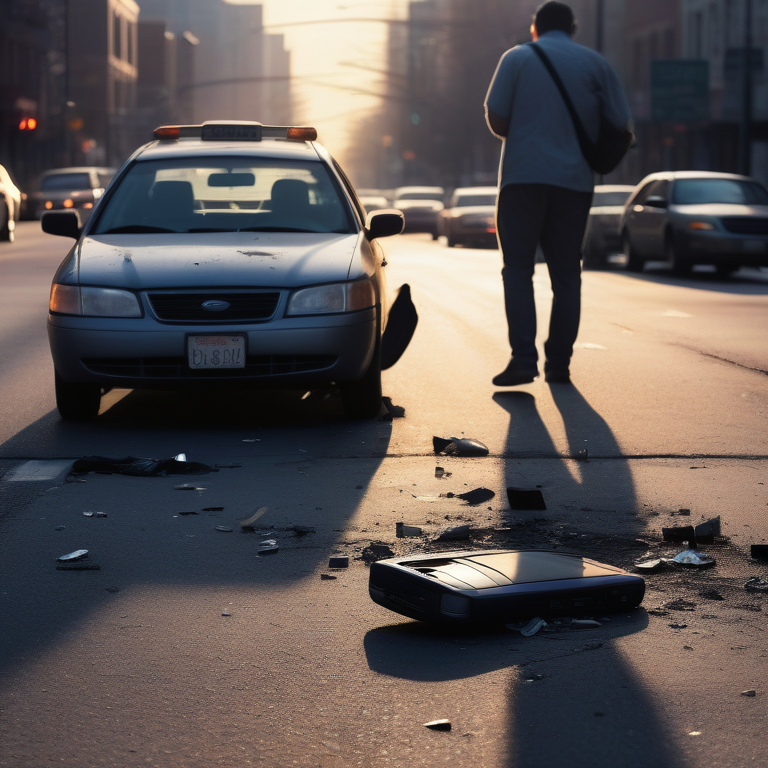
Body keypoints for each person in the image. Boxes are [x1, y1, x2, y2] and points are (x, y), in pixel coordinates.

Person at [484, 1, 631, 385]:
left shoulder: (515, 58)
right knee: (566, 274)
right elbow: (620, 124)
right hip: (574, 183)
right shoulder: (596, 65)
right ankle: (559, 364)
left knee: (517, 270)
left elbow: (497, 118)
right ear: (574, 28)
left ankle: (522, 359)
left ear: (535, 28)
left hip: (522, 180)